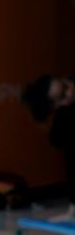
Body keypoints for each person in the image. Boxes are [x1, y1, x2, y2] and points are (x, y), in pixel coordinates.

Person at [22, 75, 75, 221]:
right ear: (55, 106)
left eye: (66, 85)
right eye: (62, 95)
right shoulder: (64, 119)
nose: (70, 92)